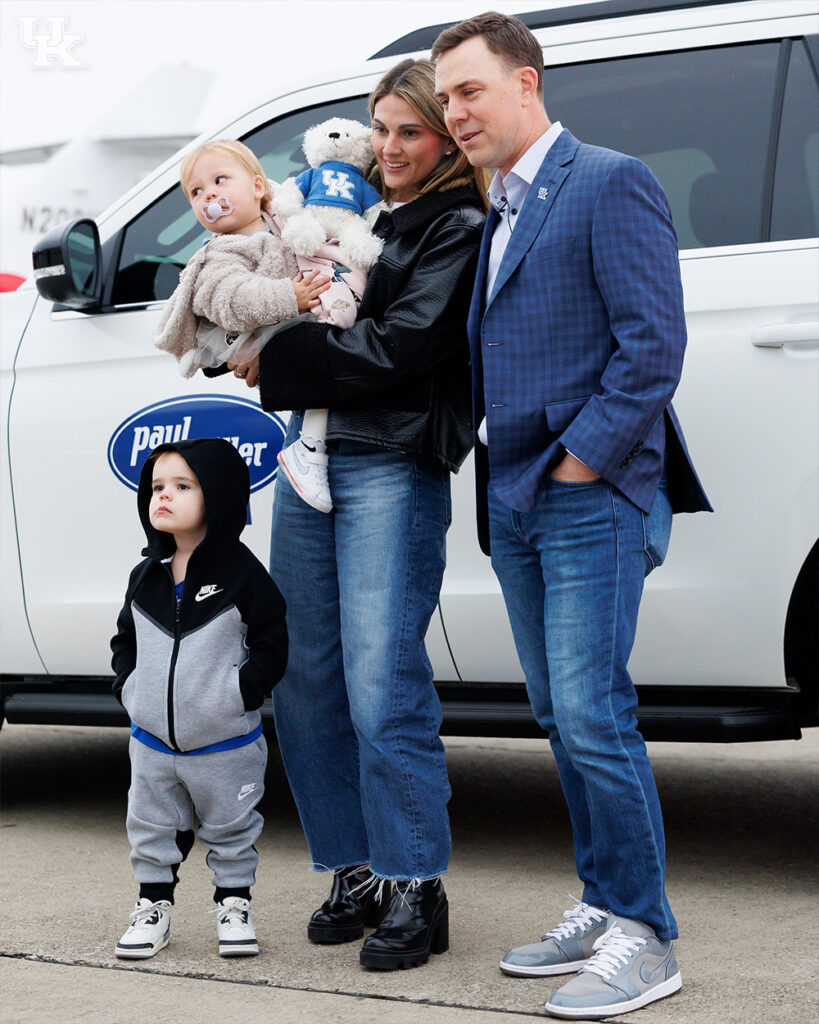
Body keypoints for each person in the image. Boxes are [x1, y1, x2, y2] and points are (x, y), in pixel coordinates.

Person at [433, 12, 711, 1019]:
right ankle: (602, 901)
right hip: (512, 495)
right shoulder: (499, 206)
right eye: (445, 96)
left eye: (469, 90)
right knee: (560, 713)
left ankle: (648, 934)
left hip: (585, 493)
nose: (453, 112)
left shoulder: (607, 180)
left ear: (526, 82)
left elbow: (651, 346)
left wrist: (582, 464)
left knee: (596, 714)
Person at [228, 59, 487, 971]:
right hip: (312, 463)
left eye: (408, 130)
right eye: (379, 129)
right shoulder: (356, 211)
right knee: (301, 680)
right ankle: (353, 870)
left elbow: (403, 346)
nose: (389, 147)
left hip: (389, 461)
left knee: (382, 686)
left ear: (445, 138)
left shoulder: (456, 225)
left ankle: (416, 882)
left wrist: (281, 360)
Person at [110, 438, 288, 960]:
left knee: (232, 830)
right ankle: (152, 909)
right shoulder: (144, 578)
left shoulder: (244, 575)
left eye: (182, 487)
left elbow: (272, 643)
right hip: (152, 743)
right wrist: (129, 689)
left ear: (220, 495)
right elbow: (125, 642)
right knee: (151, 829)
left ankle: (234, 906)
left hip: (224, 743)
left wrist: (239, 693)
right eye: (157, 487)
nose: (163, 496)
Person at [153, 137, 366, 514]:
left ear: (255, 187)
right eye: (196, 192)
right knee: (325, 356)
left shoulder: (279, 219)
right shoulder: (219, 252)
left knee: (332, 341)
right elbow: (230, 299)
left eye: (220, 180)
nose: (209, 196)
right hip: (261, 329)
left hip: (299, 316)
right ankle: (310, 450)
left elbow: (295, 201)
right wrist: (290, 297)